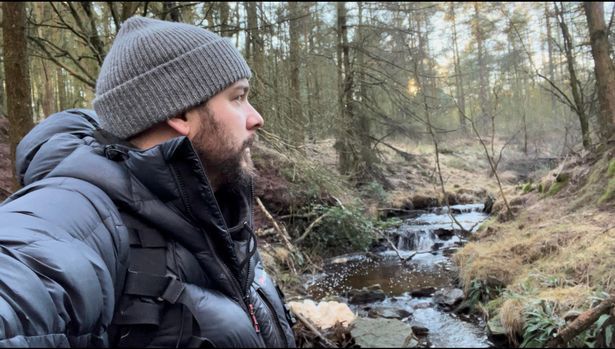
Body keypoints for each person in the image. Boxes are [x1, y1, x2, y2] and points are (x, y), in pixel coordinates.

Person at [0, 16, 296, 348]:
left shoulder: (218, 209)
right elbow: (24, 270)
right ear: (181, 114)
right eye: (238, 97)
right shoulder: (81, 209)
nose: (256, 118)